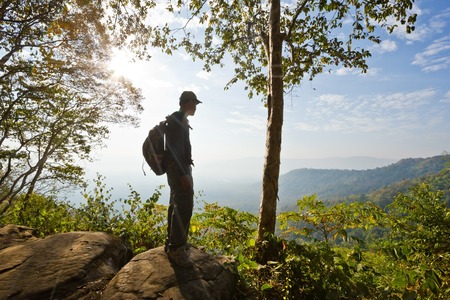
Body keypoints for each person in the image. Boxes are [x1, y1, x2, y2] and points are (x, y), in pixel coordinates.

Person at [164, 91, 201, 268]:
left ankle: (171, 244)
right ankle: (177, 249)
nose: (196, 107)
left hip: (176, 169)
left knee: (175, 204)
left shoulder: (178, 119)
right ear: (188, 102)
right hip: (179, 169)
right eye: (195, 103)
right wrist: (183, 174)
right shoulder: (178, 121)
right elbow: (175, 149)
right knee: (184, 206)